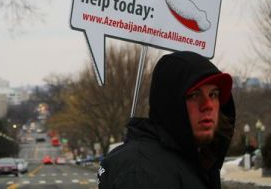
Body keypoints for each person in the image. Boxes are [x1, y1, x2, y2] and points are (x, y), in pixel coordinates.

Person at [97, 51, 235, 189]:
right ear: (169, 103)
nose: (208, 105)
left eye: (213, 94)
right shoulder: (142, 172)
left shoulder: (195, 162)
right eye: (194, 95)